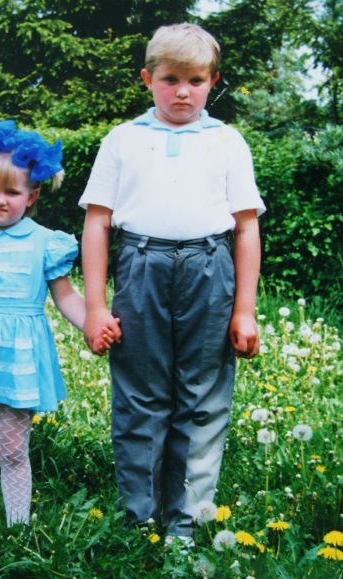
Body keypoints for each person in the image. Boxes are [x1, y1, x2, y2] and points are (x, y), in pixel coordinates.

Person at [79, 23, 266, 545]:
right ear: (147, 79)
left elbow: (246, 227)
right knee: (140, 395)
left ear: (213, 82)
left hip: (210, 269)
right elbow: (97, 223)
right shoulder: (123, 139)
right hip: (142, 267)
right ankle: (140, 521)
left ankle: (187, 522)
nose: (183, 92)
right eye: (170, 80)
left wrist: (244, 309)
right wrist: (95, 307)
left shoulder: (227, 141)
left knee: (202, 397)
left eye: (195, 80)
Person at [0, 118, 111, 537]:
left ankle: (17, 528)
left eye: (12, 192)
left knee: (13, 449)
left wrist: (93, 324)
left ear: (31, 197)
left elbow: (65, 296)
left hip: (22, 359)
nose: (0, 200)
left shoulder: (46, 243)